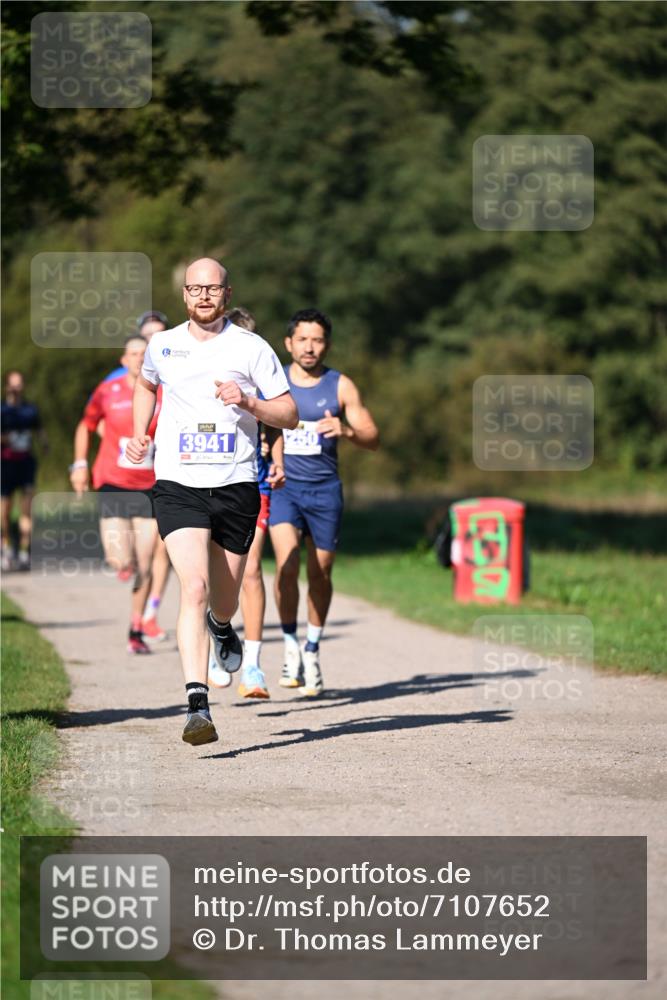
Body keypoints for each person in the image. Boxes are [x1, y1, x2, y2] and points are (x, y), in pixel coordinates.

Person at [125, 258, 297, 747]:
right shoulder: (164, 345)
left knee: (223, 598)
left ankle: (223, 628)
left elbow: (289, 412)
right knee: (194, 588)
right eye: (195, 288)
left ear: (227, 293)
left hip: (236, 484)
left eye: (213, 289)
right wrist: (141, 433)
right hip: (178, 482)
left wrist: (249, 402)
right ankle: (197, 704)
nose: (203, 296)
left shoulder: (251, 348)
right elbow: (146, 385)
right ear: (184, 294)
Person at [269, 308, 379, 697]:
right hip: (284, 488)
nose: (309, 347)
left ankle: (312, 649)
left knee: (321, 573)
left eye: (317, 340)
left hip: (325, 491)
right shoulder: (274, 380)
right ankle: (288, 648)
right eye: (302, 339)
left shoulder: (340, 385)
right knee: (286, 564)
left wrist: (346, 430)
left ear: (326, 345)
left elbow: (373, 437)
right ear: (289, 343)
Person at [207, 307, 286, 700]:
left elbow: (280, 420)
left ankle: (252, 666)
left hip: (251, 482)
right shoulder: (197, 369)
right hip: (202, 482)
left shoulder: (261, 369)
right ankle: (217, 632)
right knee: (209, 574)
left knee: (251, 569)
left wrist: (278, 462)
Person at [70, 335, 161, 654]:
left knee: (146, 564)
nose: (138, 358)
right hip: (112, 480)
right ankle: (124, 564)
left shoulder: (164, 391)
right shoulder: (109, 390)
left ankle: (136, 628)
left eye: (144, 353)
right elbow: (86, 424)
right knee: (120, 558)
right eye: (133, 354)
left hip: (150, 485)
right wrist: (79, 465)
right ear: (124, 361)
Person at [99, 310, 172, 640]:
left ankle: (148, 615)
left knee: (161, 553)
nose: (153, 342)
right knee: (134, 557)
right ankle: (145, 613)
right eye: (148, 336)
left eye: (160, 334)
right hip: (121, 481)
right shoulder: (116, 379)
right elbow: (96, 419)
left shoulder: (177, 373)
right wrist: (119, 444)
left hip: (159, 481)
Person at [1, 371, 47, 571]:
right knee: (5, 510)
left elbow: (39, 430)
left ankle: (23, 551)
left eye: (19, 385)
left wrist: (44, 444)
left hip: (26, 463)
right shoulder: (1, 410)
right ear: (6, 387)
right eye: (13, 385)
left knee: (27, 508)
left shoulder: (30, 410)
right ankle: (6, 549)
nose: (16, 389)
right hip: (5, 464)